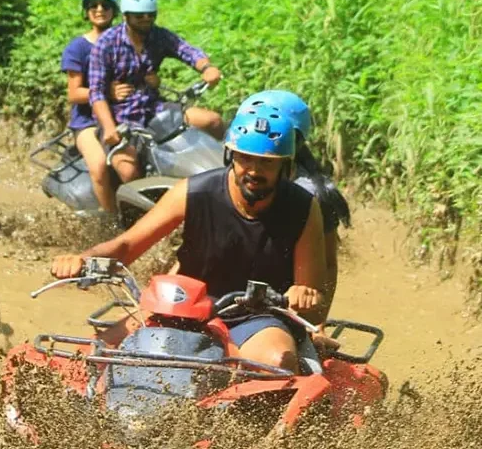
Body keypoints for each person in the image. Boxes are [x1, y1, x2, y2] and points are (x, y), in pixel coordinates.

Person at [50, 109, 327, 373]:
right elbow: (127, 245)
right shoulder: (194, 191)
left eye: (266, 162)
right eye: (245, 158)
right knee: (94, 354)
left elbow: (310, 290)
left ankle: (261, 421)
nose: (254, 170)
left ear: (285, 166)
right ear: (231, 156)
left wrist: (304, 294)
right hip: (180, 308)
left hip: (256, 317)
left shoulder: (302, 207)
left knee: (279, 361)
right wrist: (83, 259)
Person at [87, 0, 225, 183]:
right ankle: (135, 213)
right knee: (128, 171)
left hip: (154, 107)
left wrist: (207, 68)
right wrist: (109, 127)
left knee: (212, 121)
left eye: (150, 15)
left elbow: (186, 50)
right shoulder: (107, 44)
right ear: (126, 16)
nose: (145, 20)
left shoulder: (158, 35)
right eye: (139, 16)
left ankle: (229, 171)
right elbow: (97, 93)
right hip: (120, 117)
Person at [237, 90, 350, 307]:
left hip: (283, 300)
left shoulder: (311, 195)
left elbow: (326, 266)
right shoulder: (234, 178)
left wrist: (317, 322)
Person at [60, 0, 124, 213]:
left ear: (114, 11)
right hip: (87, 121)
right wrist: (105, 92)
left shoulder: (124, 41)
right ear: (86, 11)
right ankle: (111, 220)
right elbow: (74, 93)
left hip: (124, 114)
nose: (99, 10)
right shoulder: (78, 47)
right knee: (99, 166)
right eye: (93, 5)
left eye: (105, 5)